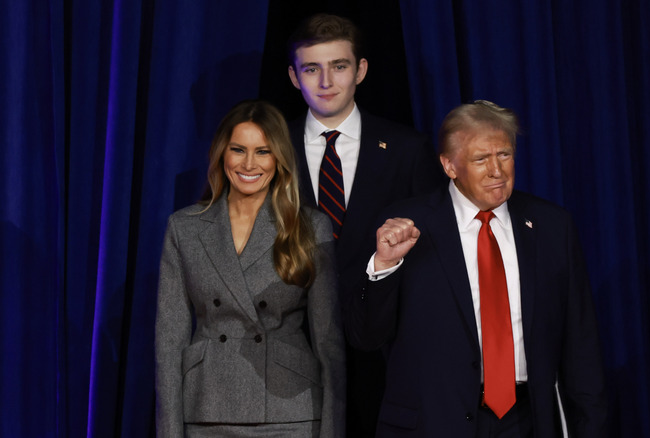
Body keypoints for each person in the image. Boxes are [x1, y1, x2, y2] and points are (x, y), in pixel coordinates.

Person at [345, 100, 608, 437]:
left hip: (526, 422)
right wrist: (384, 265)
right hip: (433, 424)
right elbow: (365, 336)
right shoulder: (407, 226)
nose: (497, 170)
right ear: (449, 165)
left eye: (504, 155)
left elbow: (581, 344)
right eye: (481, 159)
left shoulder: (552, 227)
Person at [286, 13, 443, 437]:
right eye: (311, 69)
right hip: (289, 357)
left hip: (385, 354)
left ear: (361, 70)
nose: (325, 81)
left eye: (338, 66)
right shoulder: (269, 149)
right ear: (294, 77)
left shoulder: (408, 149)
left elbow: (433, 255)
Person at [155, 100, 345, 437]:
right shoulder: (184, 228)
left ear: (279, 159)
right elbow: (169, 343)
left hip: (291, 411)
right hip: (207, 407)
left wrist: (331, 430)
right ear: (221, 155)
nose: (248, 163)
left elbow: (329, 342)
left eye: (263, 152)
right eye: (238, 150)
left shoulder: (309, 227)